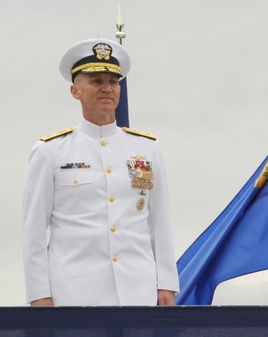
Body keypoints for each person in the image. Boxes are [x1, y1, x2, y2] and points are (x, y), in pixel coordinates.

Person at [22, 38, 179, 306]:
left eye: (113, 81)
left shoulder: (147, 148)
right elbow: (34, 231)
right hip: (74, 294)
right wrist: (39, 295)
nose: (107, 88)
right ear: (75, 91)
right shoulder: (50, 151)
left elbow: (159, 221)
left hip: (137, 292)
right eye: (96, 81)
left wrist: (166, 284)